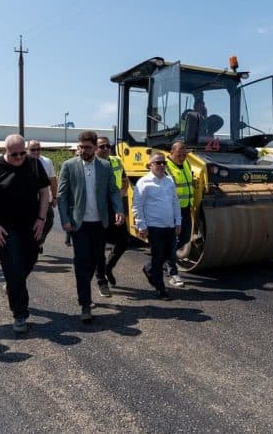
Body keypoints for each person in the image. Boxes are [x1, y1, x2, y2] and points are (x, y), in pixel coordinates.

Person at [0, 134, 51, 333]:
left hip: (31, 226)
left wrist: (41, 219)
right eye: (14, 154)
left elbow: (44, 192)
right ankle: (20, 314)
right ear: (5, 151)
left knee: (29, 261)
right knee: (14, 270)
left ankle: (12, 286)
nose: (19, 158)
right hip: (5, 229)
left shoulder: (34, 164)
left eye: (22, 153)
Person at [57, 131, 124, 322]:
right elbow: (62, 195)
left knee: (95, 260)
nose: (82, 150)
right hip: (79, 224)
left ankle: (85, 289)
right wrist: (65, 219)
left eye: (87, 147)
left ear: (94, 147)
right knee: (81, 262)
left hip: (99, 223)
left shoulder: (105, 166)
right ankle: (85, 305)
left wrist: (119, 209)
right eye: (80, 147)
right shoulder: (69, 166)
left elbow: (113, 190)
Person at [133, 152, 180, 299]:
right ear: (150, 165)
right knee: (158, 257)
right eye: (157, 162)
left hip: (169, 225)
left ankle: (149, 269)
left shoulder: (169, 181)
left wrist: (178, 221)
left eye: (163, 163)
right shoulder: (143, 183)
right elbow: (137, 206)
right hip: (154, 226)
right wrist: (142, 226)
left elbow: (175, 202)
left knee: (169, 255)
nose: (161, 165)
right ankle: (161, 289)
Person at [95, 135, 129, 291]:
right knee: (99, 246)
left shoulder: (116, 161)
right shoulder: (92, 164)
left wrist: (120, 196)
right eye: (101, 146)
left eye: (108, 146)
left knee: (123, 241)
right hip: (99, 209)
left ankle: (108, 267)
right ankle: (101, 279)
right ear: (95, 148)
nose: (106, 149)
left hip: (115, 207)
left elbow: (125, 180)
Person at [163, 140, 194, 288]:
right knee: (172, 242)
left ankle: (158, 260)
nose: (182, 157)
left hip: (186, 208)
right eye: (179, 154)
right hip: (171, 211)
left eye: (184, 154)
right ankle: (173, 274)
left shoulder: (186, 163)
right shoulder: (165, 167)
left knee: (185, 237)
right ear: (171, 153)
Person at [27, 139, 58, 254]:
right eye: (33, 149)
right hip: (29, 200)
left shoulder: (47, 161)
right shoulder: (22, 161)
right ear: (27, 150)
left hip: (45, 199)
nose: (36, 152)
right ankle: (31, 244)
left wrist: (54, 197)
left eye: (38, 149)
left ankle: (39, 241)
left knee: (49, 220)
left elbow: (53, 180)